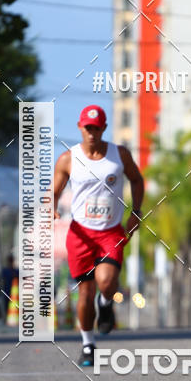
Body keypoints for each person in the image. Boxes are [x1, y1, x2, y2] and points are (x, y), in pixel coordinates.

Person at [53, 105, 145, 366]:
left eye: (96, 128)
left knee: (107, 281)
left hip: (110, 231)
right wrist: (52, 209)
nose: (91, 132)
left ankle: (106, 304)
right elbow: (55, 189)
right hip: (81, 234)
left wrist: (136, 211)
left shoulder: (119, 155)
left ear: (104, 128)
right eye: (87, 128)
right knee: (84, 293)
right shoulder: (68, 159)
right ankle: (87, 344)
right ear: (81, 128)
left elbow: (137, 180)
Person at [0, 253, 19, 320]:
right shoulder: (5, 271)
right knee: (7, 308)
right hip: (7, 293)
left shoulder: (16, 271)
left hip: (14, 295)